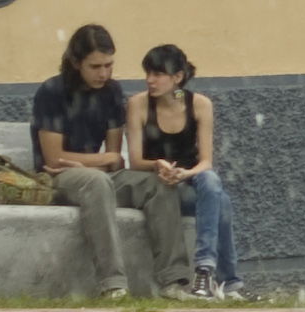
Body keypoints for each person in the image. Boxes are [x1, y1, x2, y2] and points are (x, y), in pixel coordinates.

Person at [29, 23, 190, 297]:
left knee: (158, 184)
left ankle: (173, 281)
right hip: (58, 177)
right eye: (95, 66)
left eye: (108, 65)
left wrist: (96, 161)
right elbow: (54, 158)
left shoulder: (112, 92)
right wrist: (100, 161)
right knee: (96, 181)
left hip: (98, 175)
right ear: (76, 62)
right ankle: (113, 284)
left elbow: (117, 160)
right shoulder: (52, 92)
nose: (104, 73)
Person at [130, 44, 243, 299]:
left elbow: (205, 162)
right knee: (221, 201)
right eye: (148, 73)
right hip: (159, 186)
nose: (150, 80)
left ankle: (205, 269)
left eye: (158, 74)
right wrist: (158, 164)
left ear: (177, 77)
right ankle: (228, 282)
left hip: (193, 182)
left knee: (211, 182)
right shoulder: (138, 105)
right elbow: (135, 161)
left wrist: (185, 174)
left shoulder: (199, 105)